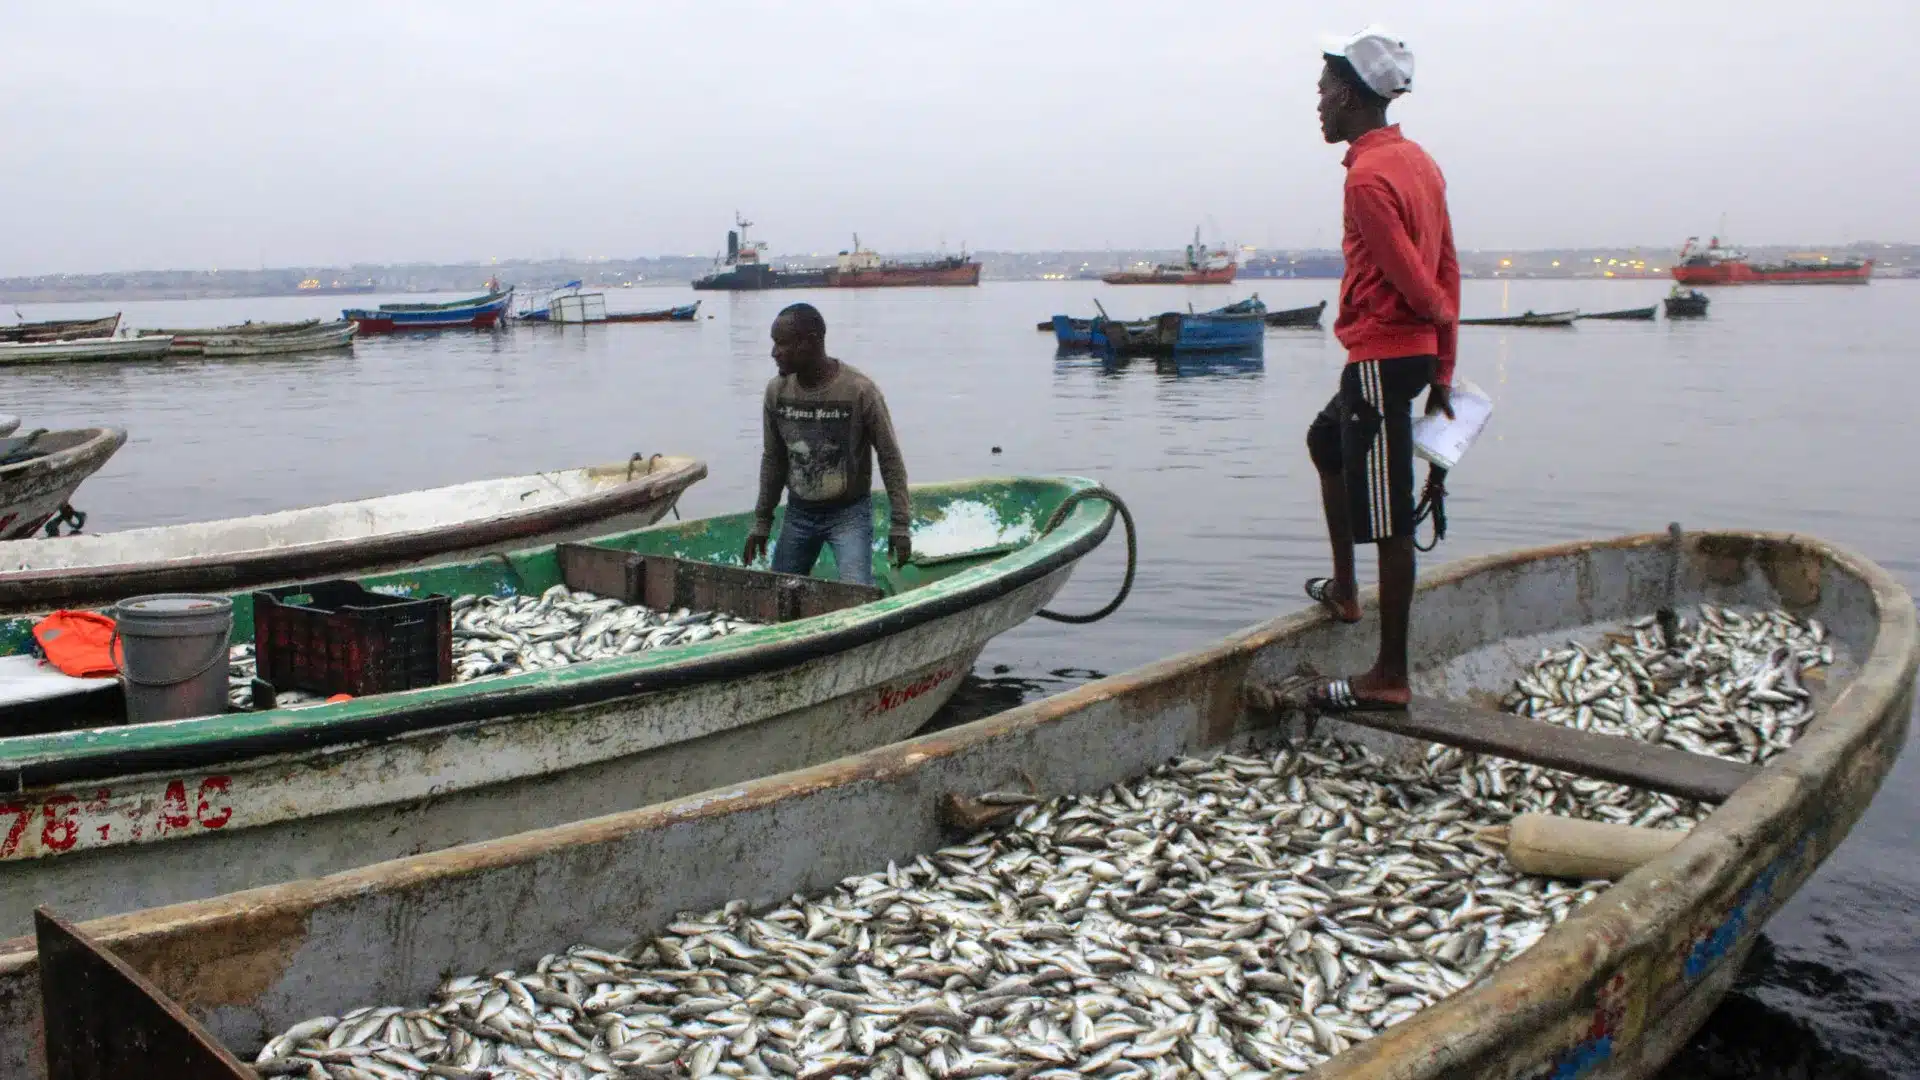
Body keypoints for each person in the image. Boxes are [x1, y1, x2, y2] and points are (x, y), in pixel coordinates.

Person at [1299, 25, 1458, 712]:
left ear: (1356, 97)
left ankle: (1388, 674)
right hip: (1406, 355)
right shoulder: (1417, 162)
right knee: (1325, 441)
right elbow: (1447, 264)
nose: (1319, 103)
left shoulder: (1367, 178)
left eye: (1327, 89)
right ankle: (1344, 590)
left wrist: (1433, 323)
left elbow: (1421, 282)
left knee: (1391, 521)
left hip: (1382, 357)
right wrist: (1443, 367)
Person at [741, 303, 910, 585]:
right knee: (777, 594)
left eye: (782, 344)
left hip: (849, 515)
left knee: (856, 596)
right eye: (774, 343)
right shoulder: (776, 392)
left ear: (810, 342)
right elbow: (774, 460)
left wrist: (901, 525)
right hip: (799, 513)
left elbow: (890, 459)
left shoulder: (859, 391)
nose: (774, 353)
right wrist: (762, 521)